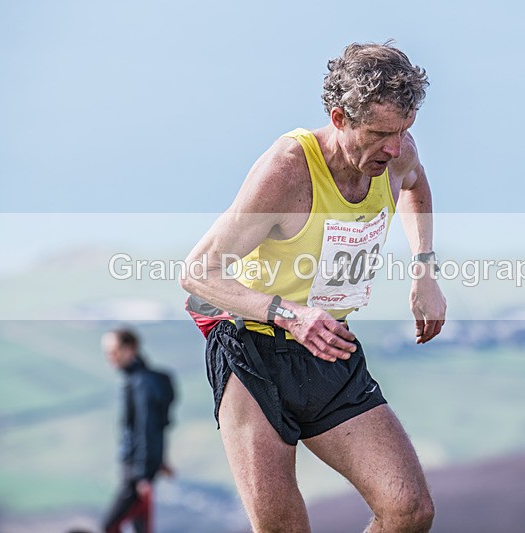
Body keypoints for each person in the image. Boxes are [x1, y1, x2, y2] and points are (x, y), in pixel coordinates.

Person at [181, 41, 446, 532]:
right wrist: (290, 314)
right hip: (251, 348)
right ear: (340, 116)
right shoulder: (286, 170)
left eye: (404, 131)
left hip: (329, 346)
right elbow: (197, 273)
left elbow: (417, 184)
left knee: (409, 511)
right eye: (380, 133)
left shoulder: (398, 154)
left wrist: (423, 271)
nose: (394, 149)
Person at [101, 328, 175, 533]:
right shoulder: (142, 380)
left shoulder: (141, 383)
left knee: (110, 525)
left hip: (136, 472)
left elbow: (147, 427)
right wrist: (159, 460)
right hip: (141, 469)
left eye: (113, 351)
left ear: (130, 349)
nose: (110, 357)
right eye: (107, 352)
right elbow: (158, 426)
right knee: (140, 528)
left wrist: (143, 475)